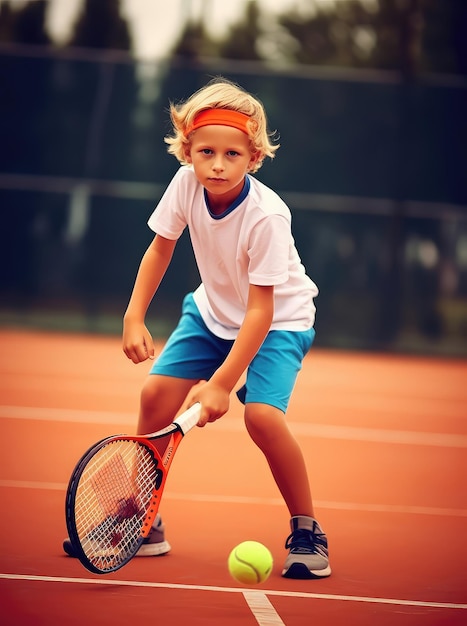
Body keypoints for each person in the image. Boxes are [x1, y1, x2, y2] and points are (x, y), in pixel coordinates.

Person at [64, 77, 330, 579]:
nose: (218, 164)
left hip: (278, 323)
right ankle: (143, 515)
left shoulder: (268, 216)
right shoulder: (185, 184)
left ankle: (307, 527)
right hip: (211, 312)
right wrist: (133, 315)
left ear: (254, 158)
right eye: (205, 151)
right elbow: (160, 247)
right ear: (187, 151)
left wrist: (221, 385)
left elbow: (261, 313)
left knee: (263, 420)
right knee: (154, 396)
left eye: (233, 154)